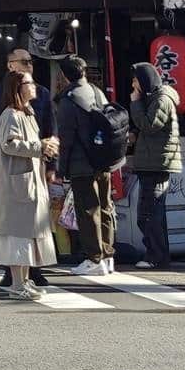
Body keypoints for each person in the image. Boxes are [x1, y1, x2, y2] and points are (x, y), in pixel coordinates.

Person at [0, 47, 56, 288]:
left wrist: (50, 160)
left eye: (31, 61)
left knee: (31, 224)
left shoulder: (41, 97)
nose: (29, 65)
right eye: (24, 61)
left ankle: (31, 272)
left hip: (35, 169)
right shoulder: (1, 100)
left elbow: (50, 128)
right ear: (11, 66)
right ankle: (14, 276)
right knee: (16, 226)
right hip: (15, 171)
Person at [56, 55, 116, 276]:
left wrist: (62, 169)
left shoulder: (68, 100)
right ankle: (108, 255)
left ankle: (94, 258)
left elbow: (66, 139)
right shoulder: (97, 92)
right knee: (106, 206)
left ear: (63, 75)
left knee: (88, 210)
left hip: (82, 164)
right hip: (104, 160)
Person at [130, 61, 181, 270]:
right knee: (152, 212)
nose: (133, 85)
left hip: (157, 164)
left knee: (149, 213)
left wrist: (135, 103)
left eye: (135, 80)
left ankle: (155, 255)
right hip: (153, 162)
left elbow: (149, 125)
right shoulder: (155, 98)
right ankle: (158, 254)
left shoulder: (161, 99)